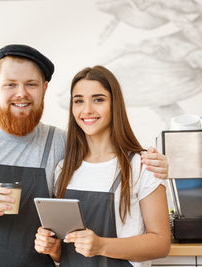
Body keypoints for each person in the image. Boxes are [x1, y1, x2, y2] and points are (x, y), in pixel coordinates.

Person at [0, 44, 169, 266]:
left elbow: (107, 158)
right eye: (10, 84)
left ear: (44, 89)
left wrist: (158, 165)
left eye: (31, 84)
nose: (21, 93)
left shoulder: (63, 145)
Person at [35, 65, 170, 266]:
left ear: (114, 105)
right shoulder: (64, 169)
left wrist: (100, 245)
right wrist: (53, 249)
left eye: (98, 99)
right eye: (79, 101)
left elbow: (160, 244)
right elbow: (63, 252)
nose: (87, 109)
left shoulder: (142, 165)